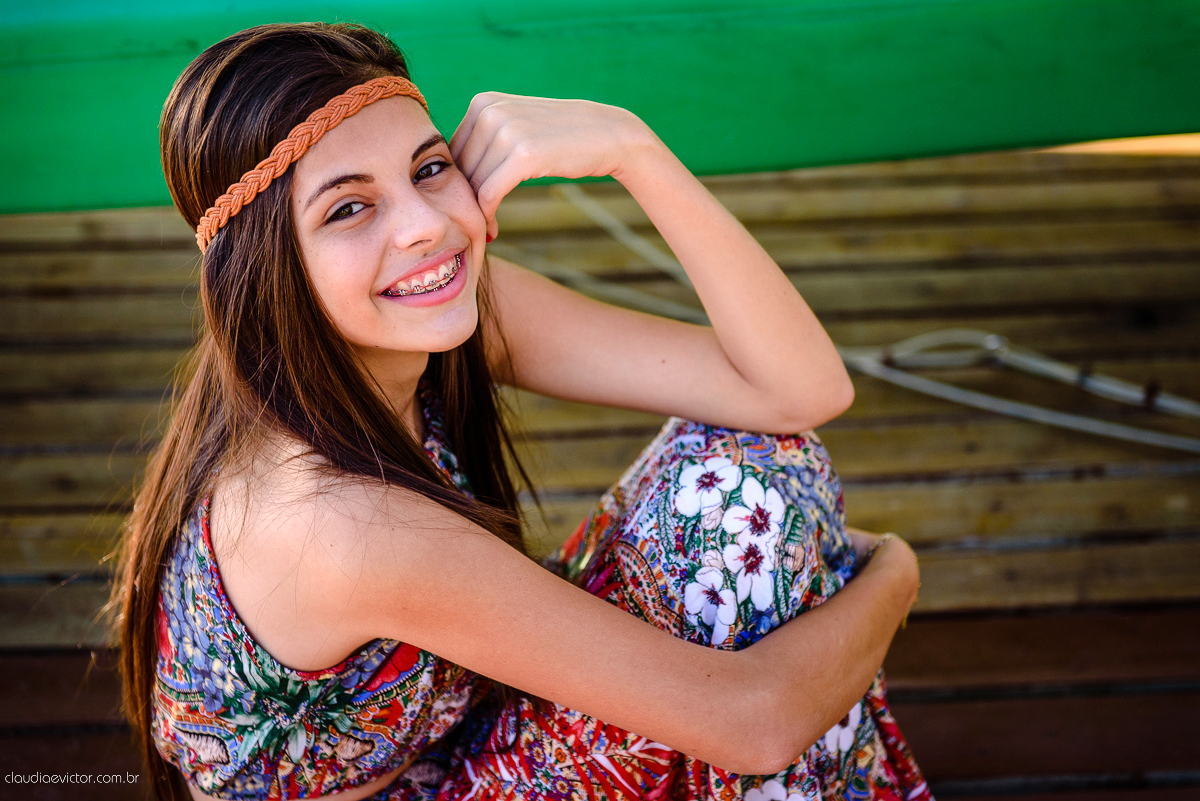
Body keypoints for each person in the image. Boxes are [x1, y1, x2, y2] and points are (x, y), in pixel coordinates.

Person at [112, 21, 930, 801]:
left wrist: (633, 149)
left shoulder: (430, 320)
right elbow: (755, 722)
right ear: (268, 268)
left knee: (743, 465)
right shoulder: (339, 523)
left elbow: (794, 391)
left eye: (429, 169)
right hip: (426, 774)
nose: (427, 227)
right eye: (349, 209)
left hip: (451, 742)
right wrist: (894, 574)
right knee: (740, 525)